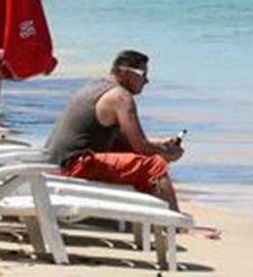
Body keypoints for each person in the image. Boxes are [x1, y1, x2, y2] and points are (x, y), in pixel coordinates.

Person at [43, 48, 185, 208]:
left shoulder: (96, 86)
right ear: (125, 73)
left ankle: (149, 213)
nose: (147, 81)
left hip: (55, 161)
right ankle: (177, 224)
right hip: (74, 165)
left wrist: (160, 145)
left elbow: (127, 142)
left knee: (137, 155)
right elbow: (140, 145)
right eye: (143, 75)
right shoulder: (121, 97)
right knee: (154, 164)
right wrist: (166, 153)